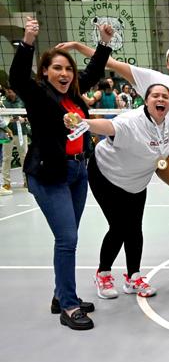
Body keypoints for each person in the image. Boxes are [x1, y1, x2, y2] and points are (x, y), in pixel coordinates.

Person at [55, 40, 169, 284]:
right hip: (133, 164)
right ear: (167, 64)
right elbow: (110, 65)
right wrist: (78, 47)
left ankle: (140, 273)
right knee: (123, 226)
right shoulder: (152, 81)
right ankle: (106, 273)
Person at [10, 17, 114, 330]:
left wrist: (104, 43)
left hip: (77, 171)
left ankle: (61, 295)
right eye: (57, 68)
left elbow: (93, 71)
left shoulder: (75, 93)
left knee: (67, 238)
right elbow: (17, 78)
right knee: (67, 238)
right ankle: (69, 306)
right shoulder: (39, 95)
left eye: (68, 69)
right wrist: (28, 42)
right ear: (45, 72)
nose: (65, 73)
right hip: (48, 174)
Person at [66, 84, 169, 300]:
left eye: (165, 96)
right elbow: (108, 127)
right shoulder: (131, 121)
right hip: (106, 175)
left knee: (134, 228)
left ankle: (133, 277)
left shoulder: (166, 124)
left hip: (136, 182)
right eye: (155, 96)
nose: (160, 99)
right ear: (146, 100)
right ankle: (103, 273)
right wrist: (84, 123)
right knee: (119, 227)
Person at [1, 87, 30, 192]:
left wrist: (24, 119)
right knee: (6, 158)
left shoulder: (23, 101)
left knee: (24, 157)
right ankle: (6, 183)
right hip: (5, 133)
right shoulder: (3, 102)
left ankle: (27, 181)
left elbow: (31, 115)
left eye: (11, 91)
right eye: (8, 91)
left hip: (22, 133)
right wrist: (9, 120)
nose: (10, 93)